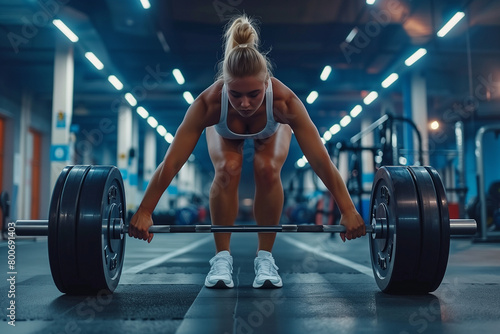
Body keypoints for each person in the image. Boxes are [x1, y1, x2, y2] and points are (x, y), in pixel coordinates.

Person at [128, 15, 366, 289]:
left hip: (272, 129)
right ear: (225, 86)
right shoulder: (209, 104)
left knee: (266, 169)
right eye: (235, 94)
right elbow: (171, 163)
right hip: (224, 131)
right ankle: (221, 258)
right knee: (228, 168)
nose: (244, 103)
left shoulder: (284, 102)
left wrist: (347, 209)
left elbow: (321, 162)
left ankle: (265, 258)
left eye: (253, 94)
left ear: (266, 83)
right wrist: (145, 210)